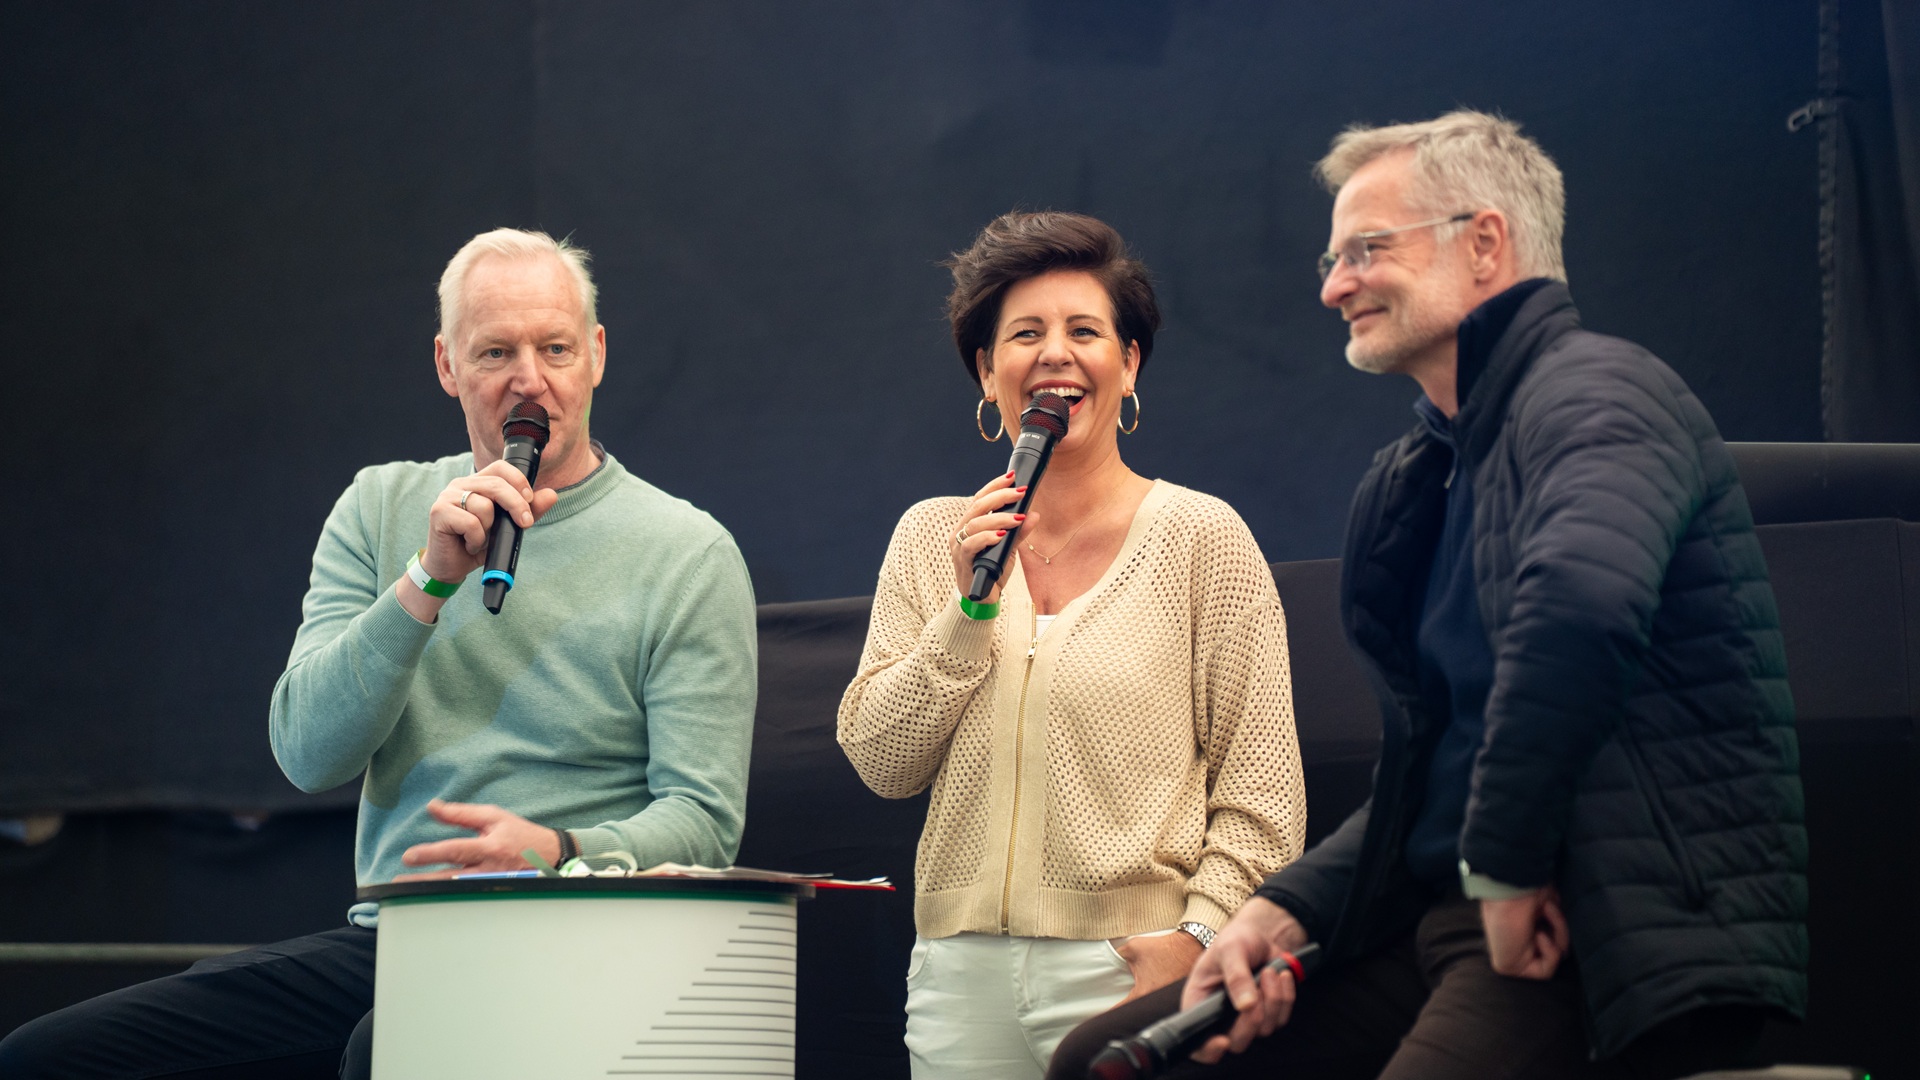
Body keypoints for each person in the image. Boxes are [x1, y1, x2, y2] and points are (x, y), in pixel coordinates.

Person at [1049, 111, 1807, 1080]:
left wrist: (1506, 865)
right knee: (1101, 1064)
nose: (1332, 287)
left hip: (1588, 931)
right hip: (1442, 923)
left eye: (1366, 250)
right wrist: (1284, 910)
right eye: (1331, 260)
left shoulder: (1602, 393)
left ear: (1485, 242)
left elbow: (1581, 613)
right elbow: (1435, 770)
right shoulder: (1427, 472)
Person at [0, 228, 759, 1079]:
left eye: (555, 348)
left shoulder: (686, 552)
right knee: (45, 1059)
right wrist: (425, 584)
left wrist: (555, 845)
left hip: (581, 935)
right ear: (447, 365)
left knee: (388, 1051)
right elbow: (307, 755)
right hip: (397, 940)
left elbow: (703, 822)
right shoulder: (379, 506)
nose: (529, 378)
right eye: (496, 351)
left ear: (597, 356)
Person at [838, 211, 1307, 1079]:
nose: (1055, 353)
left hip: (1135, 971)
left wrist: (1195, 940)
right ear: (987, 373)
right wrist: (965, 612)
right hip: (958, 977)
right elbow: (881, 759)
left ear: (1128, 366)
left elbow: (1263, 792)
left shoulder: (1204, 539)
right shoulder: (932, 536)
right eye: (1025, 334)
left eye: (1085, 331)